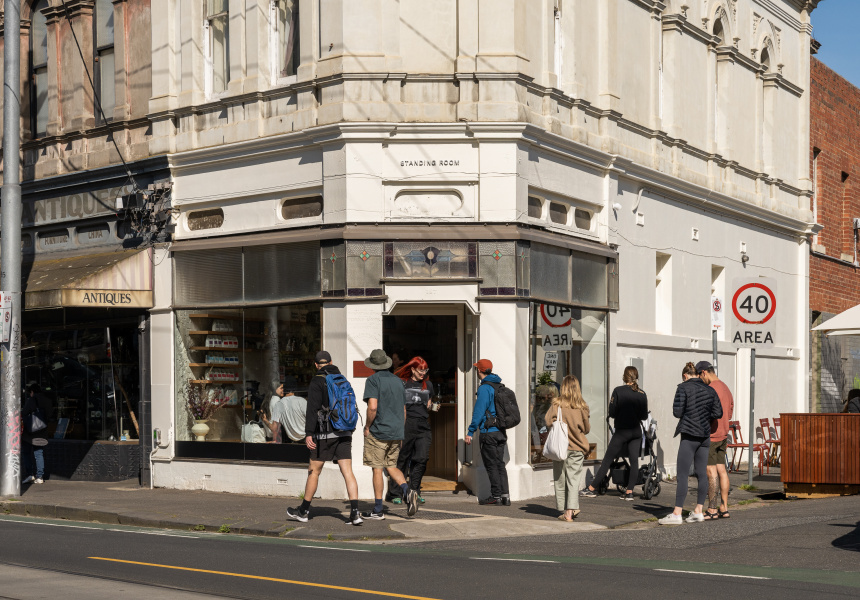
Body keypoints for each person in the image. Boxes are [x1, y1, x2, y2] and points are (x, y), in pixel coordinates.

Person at [287, 351, 363, 526]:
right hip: (344, 432)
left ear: (315, 365)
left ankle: (304, 511)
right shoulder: (342, 379)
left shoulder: (317, 381)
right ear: (331, 362)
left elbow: (312, 409)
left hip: (325, 434)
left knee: (314, 470)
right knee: (348, 472)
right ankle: (355, 513)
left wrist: (308, 433)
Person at [658, 361, 723, 525]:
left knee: (682, 474)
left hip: (689, 435)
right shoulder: (710, 390)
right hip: (705, 436)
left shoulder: (683, 387)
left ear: (685, 376)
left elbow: (677, 412)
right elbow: (718, 412)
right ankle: (698, 510)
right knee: (702, 474)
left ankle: (677, 513)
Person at [362, 349, 419, 519]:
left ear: (373, 366)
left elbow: (372, 407)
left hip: (379, 431)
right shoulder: (398, 382)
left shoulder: (372, 380)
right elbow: (403, 410)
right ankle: (408, 491)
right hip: (396, 432)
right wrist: (400, 430)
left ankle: (378, 509)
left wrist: (367, 426)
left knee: (377, 469)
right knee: (392, 466)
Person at [580, 366, 647, 500]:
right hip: (636, 431)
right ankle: (629, 492)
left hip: (622, 431)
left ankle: (591, 488)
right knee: (634, 462)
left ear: (624, 377)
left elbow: (612, 413)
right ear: (636, 377)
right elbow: (644, 416)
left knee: (608, 459)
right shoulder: (642, 393)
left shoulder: (618, 391)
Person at [387, 356, 434, 505]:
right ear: (413, 369)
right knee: (402, 457)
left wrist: (432, 406)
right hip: (406, 423)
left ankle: (414, 491)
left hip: (423, 425)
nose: (423, 373)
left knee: (421, 458)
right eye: (420, 370)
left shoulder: (428, 385)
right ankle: (395, 493)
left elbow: (428, 403)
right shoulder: (402, 383)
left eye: (425, 370)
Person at [544, 375, 590, 521]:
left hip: (560, 448)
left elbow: (547, 420)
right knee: (573, 480)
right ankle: (571, 510)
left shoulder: (557, 404)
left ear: (563, 388)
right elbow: (586, 428)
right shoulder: (582, 406)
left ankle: (567, 511)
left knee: (560, 479)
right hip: (577, 447)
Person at [465, 359, 510, 506]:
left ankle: (496, 496)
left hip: (488, 432)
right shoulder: (498, 385)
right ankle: (505, 496)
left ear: (479, 371)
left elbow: (479, 411)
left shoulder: (484, 388)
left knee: (491, 465)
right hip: (500, 432)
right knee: (500, 464)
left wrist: (471, 431)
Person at [701, 364, 734, 520]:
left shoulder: (711, 389)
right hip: (724, 434)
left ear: (704, 373)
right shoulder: (725, 387)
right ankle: (724, 507)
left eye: (701, 377)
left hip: (713, 434)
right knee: (722, 470)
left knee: (710, 471)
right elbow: (730, 410)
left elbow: (708, 411)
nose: (702, 380)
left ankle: (712, 509)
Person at [21, 383, 51, 484]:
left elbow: (24, 413)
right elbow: (50, 415)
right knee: (39, 453)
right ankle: (40, 476)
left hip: (29, 432)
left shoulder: (32, 400)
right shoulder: (47, 400)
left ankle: (29, 474)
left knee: (26, 453)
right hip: (42, 431)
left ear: (32, 392)